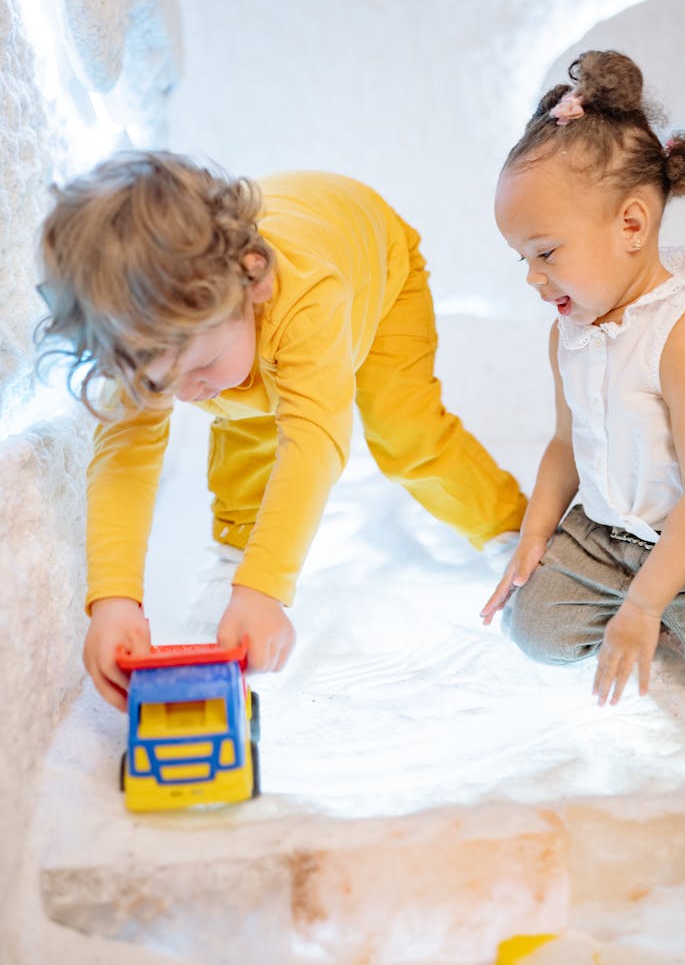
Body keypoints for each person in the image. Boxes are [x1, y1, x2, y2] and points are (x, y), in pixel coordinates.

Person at [37, 154, 527, 711]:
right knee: (244, 423)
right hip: (274, 295)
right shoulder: (141, 330)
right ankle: (235, 554)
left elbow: (313, 442)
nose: (189, 394)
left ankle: (513, 532)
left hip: (377, 271)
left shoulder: (304, 300)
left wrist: (265, 588)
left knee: (406, 436)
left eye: (201, 367)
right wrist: (114, 600)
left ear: (254, 281)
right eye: (161, 384)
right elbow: (125, 461)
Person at [481, 50, 685, 722]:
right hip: (608, 530)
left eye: (546, 253)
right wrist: (535, 535)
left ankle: (671, 604)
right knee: (535, 630)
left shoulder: (683, 334)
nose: (534, 279)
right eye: (524, 258)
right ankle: (647, 599)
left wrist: (644, 606)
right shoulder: (567, 332)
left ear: (631, 225)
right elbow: (566, 444)